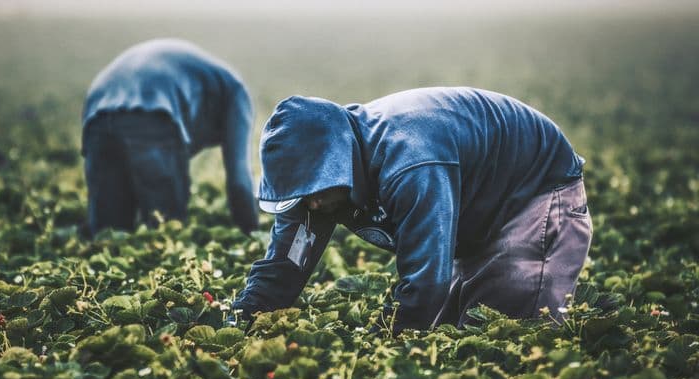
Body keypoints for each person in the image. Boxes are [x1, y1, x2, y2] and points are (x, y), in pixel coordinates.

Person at [231, 87, 592, 334]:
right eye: (299, 194)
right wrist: (240, 321)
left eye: (313, 190)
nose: (310, 204)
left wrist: (380, 340)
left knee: (513, 328)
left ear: (337, 162)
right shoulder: (319, 190)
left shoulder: (410, 162)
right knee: (459, 329)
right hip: (475, 205)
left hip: (536, 189)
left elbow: (426, 281)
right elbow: (285, 265)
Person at [81, 39, 258, 236]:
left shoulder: (209, 82)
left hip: (97, 111)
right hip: (153, 111)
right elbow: (239, 181)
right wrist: (251, 232)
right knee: (165, 231)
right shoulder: (237, 94)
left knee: (108, 235)